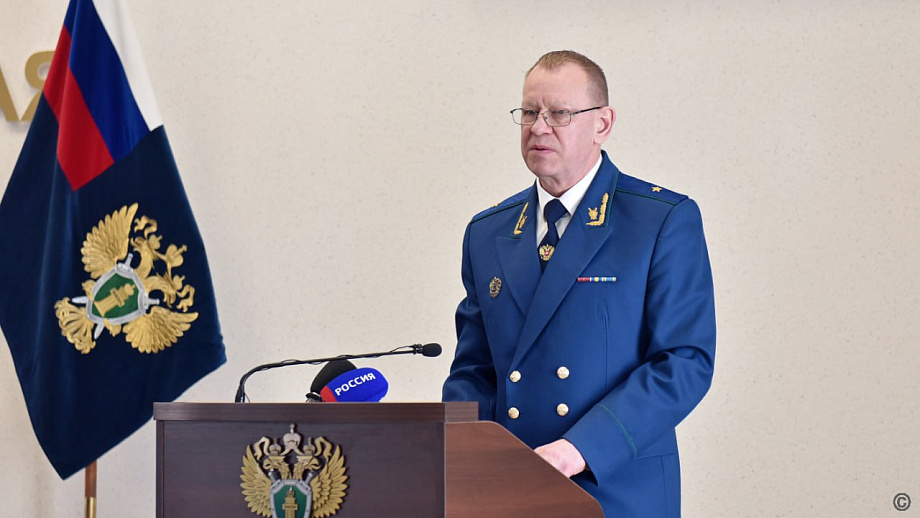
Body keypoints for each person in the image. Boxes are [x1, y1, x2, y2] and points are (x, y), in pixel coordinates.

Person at [442, 50, 716, 517]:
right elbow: (474, 370)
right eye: (530, 112)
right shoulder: (487, 232)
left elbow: (683, 362)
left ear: (602, 124)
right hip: (507, 490)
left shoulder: (660, 220)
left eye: (560, 113)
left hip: (613, 487)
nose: (539, 127)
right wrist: (460, 457)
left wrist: (578, 449)